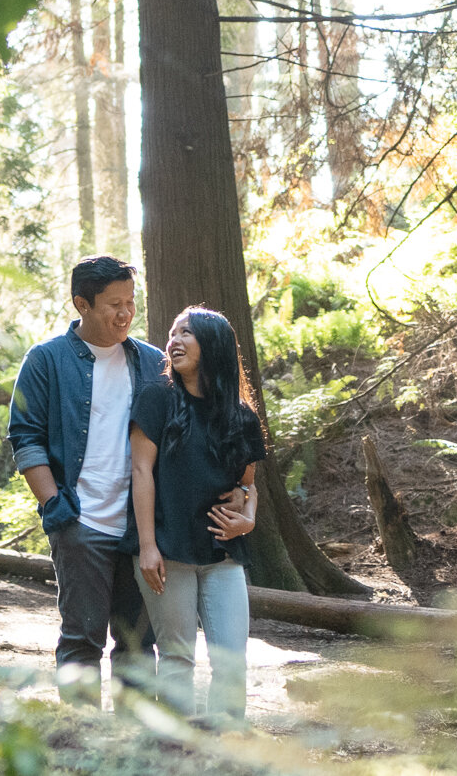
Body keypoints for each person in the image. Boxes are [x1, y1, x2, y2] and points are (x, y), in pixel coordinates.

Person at [6, 255, 163, 704]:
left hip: (139, 529)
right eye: (114, 304)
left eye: (130, 302)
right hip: (81, 523)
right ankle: (81, 745)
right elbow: (25, 435)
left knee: (137, 643)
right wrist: (55, 506)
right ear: (82, 304)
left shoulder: (151, 362)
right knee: (81, 642)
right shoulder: (46, 360)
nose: (125, 313)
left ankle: (135, 745)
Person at [130, 305, 264, 724]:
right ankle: (176, 753)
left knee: (231, 660)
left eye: (186, 332)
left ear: (213, 344)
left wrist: (249, 518)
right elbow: (141, 471)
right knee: (177, 656)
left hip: (223, 554)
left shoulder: (240, 415)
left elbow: (248, 485)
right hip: (167, 551)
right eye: (172, 332)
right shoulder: (157, 398)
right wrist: (147, 546)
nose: (174, 340)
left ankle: (226, 753)